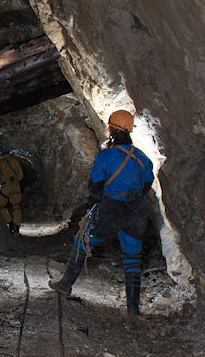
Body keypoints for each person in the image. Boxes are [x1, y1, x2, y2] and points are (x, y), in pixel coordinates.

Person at [49, 110, 154, 316]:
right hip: (136, 211)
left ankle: (65, 284)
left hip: (112, 209)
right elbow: (147, 183)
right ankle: (133, 309)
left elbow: (95, 186)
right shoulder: (142, 157)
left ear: (111, 128)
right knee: (132, 258)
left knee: (83, 240)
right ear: (130, 130)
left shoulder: (106, 156)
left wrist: (96, 204)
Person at [0, 143, 24, 234]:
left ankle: (10, 223)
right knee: (16, 206)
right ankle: (17, 227)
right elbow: (21, 175)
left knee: (0, 205)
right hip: (15, 185)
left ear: (1, 152)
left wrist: (1, 183)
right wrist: (15, 179)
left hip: (6, 186)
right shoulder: (14, 161)